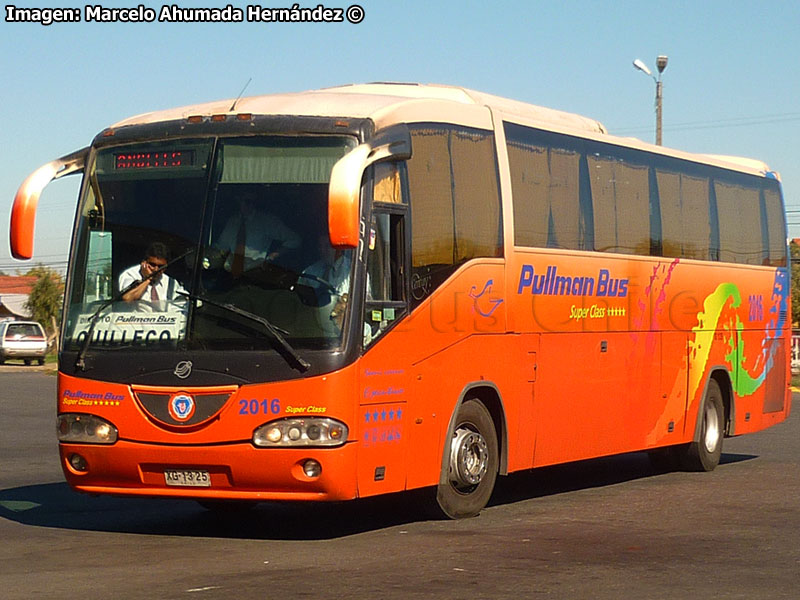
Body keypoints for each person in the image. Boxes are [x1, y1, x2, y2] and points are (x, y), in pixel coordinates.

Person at [214, 192, 301, 277]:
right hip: (229, 275)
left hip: (255, 276)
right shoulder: (232, 221)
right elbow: (222, 247)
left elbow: (294, 239)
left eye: (251, 202)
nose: (247, 205)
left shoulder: (267, 221)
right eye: (244, 201)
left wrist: (273, 256)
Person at [299, 233, 352, 329]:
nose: (323, 250)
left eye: (327, 246)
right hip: (312, 323)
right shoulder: (311, 271)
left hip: (341, 328)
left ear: (339, 248)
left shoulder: (352, 272)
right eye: (320, 246)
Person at [118, 242, 186, 310]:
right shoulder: (130, 275)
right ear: (144, 262)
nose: (156, 269)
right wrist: (147, 279)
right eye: (152, 265)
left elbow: (184, 302)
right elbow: (128, 298)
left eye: (160, 266)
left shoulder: (170, 282)